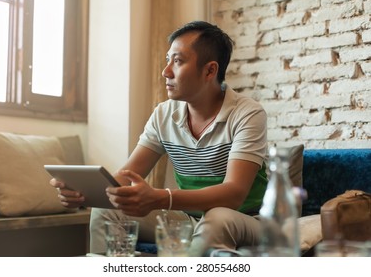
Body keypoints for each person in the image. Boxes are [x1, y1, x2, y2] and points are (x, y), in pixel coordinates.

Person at [50, 20, 268, 256]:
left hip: (248, 221)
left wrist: (161, 198)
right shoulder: (164, 114)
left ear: (210, 70)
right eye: (167, 61)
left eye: (178, 61)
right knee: (106, 211)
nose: (166, 72)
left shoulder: (247, 113)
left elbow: (233, 195)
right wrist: (85, 193)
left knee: (218, 216)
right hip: (190, 219)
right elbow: (127, 176)